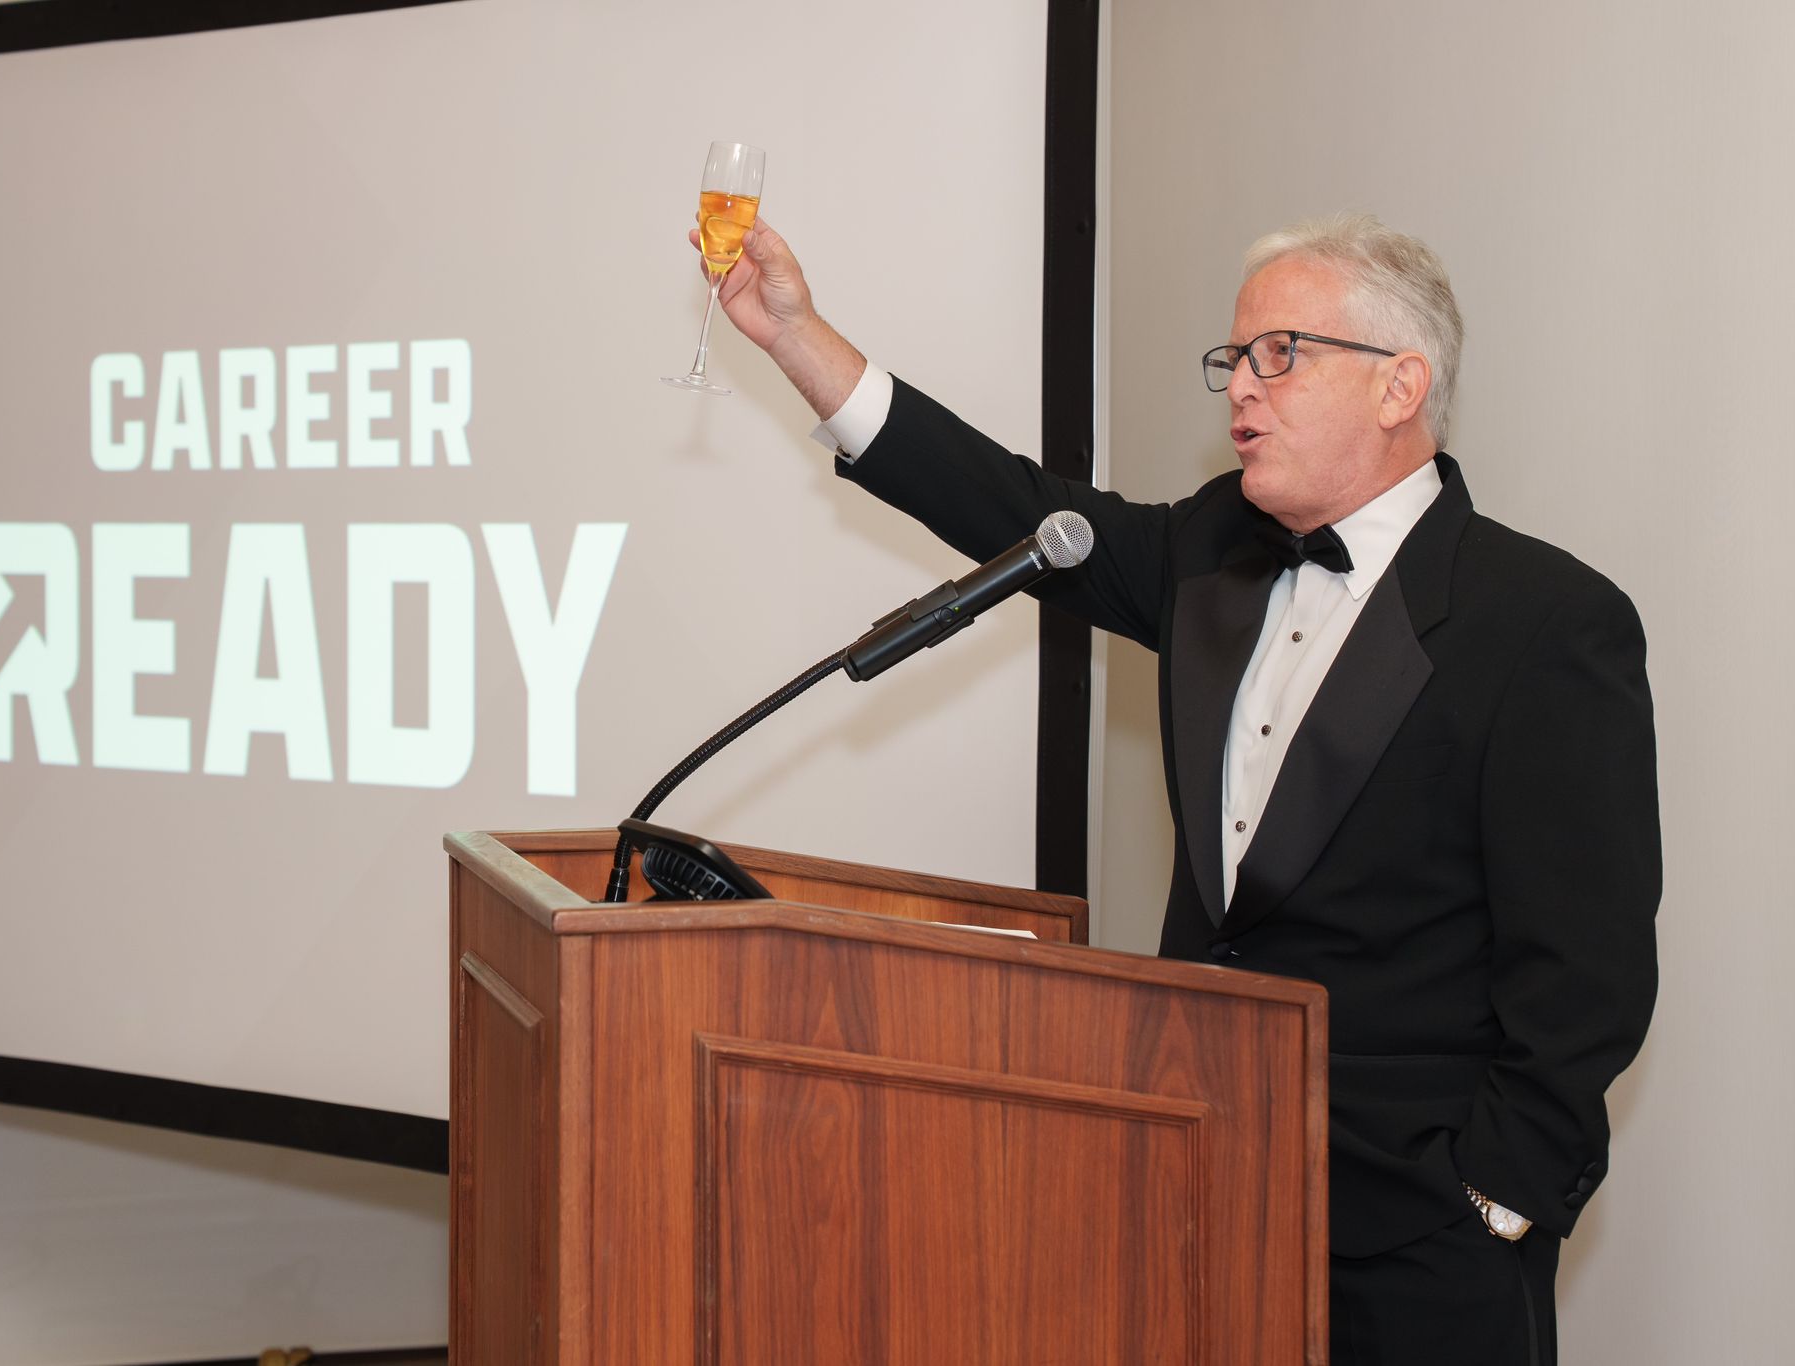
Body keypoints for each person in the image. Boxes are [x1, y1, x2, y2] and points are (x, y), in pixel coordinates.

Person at [695, 210, 1661, 1365]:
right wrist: (797, 338)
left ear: (1400, 385)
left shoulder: (1547, 622)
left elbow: (1587, 975)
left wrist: (1492, 1206)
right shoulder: (1215, 553)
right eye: (1236, 357)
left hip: (1419, 1249)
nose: (1241, 387)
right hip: (1191, 1190)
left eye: (1281, 353)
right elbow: (1003, 501)